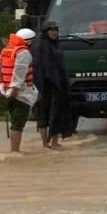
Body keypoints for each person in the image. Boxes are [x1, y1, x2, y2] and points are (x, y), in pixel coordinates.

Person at [0, 28, 37, 153]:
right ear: (29, 42)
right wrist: (15, 88)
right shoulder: (23, 52)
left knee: (15, 121)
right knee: (18, 123)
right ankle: (15, 151)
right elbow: (19, 72)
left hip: (7, 91)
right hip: (20, 94)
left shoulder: (7, 50)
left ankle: (14, 150)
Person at [31, 20, 73, 149]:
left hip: (57, 86)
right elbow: (38, 68)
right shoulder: (39, 46)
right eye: (51, 30)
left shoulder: (56, 45)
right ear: (45, 32)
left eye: (55, 30)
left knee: (57, 113)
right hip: (43, 86)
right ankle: (45, 143)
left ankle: (54, 142)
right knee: (43, 114)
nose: (54, 32)